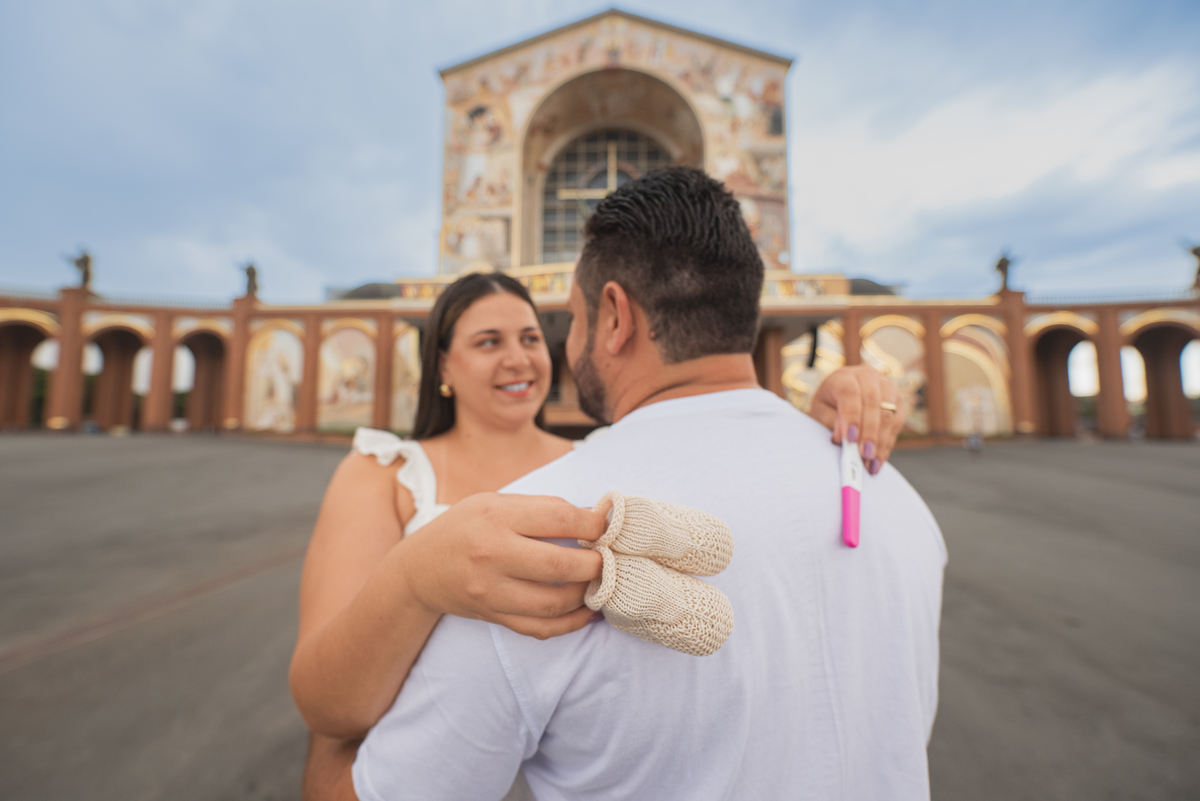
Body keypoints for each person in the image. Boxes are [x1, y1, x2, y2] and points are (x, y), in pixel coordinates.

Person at [303, 166, 944, 800]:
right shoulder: (893, 496)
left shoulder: (525, 553)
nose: (536, 353)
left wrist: (336, 733)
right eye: (489, 341)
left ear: (613, 316)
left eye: (556, 326)